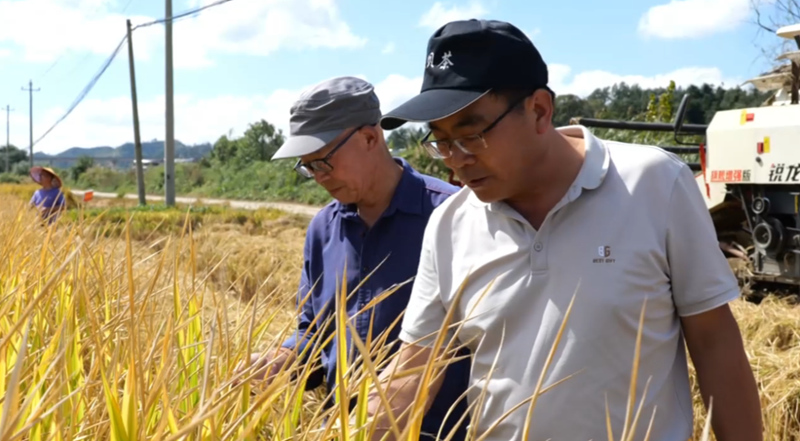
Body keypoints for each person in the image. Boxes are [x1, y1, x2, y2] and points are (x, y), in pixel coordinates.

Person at [366, 19, 763, 441]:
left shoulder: (654, 184)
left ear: (538, 110)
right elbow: (414, 368)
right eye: (441, 141)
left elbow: (714, 343)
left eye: (471, 135)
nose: (455, 160)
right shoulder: (450, 224)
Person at [240, 76, 472, 440]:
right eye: (307, 167)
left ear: (370, 137)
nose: (318, 177)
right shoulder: (322, 229)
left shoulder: (453, 216)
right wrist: (283, 360)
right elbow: (314, 332)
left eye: (324, 161)